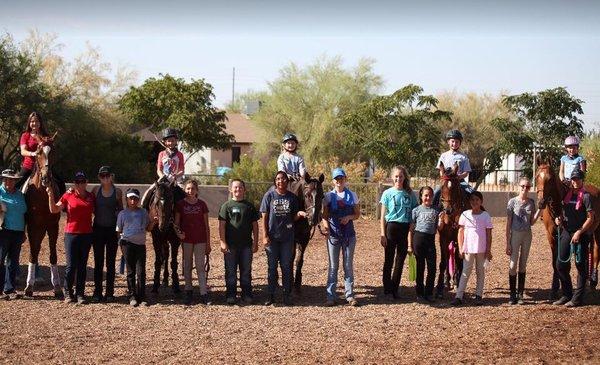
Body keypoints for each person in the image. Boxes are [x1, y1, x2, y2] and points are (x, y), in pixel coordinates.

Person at [260, 171, 307, 306]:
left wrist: (299, 214)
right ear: (275, 181)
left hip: (287, 238)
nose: (281, 181)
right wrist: (264, 235)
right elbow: (264, 216)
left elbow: (293, 217)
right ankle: (271, 295)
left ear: (287, 181)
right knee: (272, 267)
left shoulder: (292, 198)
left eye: (283, 179)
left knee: (286, 267)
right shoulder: (269, 196)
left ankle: (287, 295)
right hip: (272, 238)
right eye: (278, 179)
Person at [47, 171, 95, 304]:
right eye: (77, 182)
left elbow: (98, 211)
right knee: (71, 265)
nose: (80, 184)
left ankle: (80, 294)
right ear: (74, 183)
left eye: (82, 181)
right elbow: (54, 210)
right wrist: (50, 195)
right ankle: (68, 292)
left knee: (82, 265)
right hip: (71, 234)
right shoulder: (68, 195)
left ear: (86, 182)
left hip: (86, 234)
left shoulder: (91, 197)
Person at [553, 168, 593, 307]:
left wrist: (579, 232)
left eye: (578, 179)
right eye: (573, 179)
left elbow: (590, 218)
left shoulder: (586, 196)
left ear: (582, 180)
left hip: (580, 234)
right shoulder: (567, 195)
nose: (575, 182)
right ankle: (566, 294)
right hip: (566, 231)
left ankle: (577, 299)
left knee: (580, 266)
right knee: (560, 265)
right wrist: (559, 219)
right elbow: (562, 212)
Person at [321, 168, 360, 307]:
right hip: (334, 235)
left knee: (348, 265)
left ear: (345, 179)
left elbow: (357, 214)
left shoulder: (352, 195)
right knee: (333, 266)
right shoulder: (328, 197)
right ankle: (330, 296)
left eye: (341, 178)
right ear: (333, 181)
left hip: (349, 235)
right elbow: (324, 216)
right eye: (336, 179)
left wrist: (349, 217)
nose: (339, 181)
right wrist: (326, 227)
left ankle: (349, 295)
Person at [218, 179, 260, 305]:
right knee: (230, 271)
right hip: (230, 246)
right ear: (231, 190)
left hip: (246, 245)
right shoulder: (226, 206)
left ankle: (246, 294)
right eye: (235, 187)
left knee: (246, 271)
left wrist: (255, 242)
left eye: (240, 187)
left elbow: (255, 226)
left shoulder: (249, 206)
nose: (238, 190)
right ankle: (231, 294)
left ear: (244, 190)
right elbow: (221, 226)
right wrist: (222, 242)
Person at [379, 165, 418, 299]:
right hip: (391, 227)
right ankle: (387, 290)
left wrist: (411, 235)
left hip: (404, 229)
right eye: (396, 176)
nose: (398, 179)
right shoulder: (387, 193)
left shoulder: (410, 194)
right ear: (392, 177)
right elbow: (383, 216)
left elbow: (414, 214)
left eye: (401, 176)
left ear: (404, 177)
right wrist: (383, 234)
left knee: (400, 261)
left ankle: (395, 289)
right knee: (388, 260)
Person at [451, 191, 493, 306]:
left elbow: (489, 234)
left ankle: (478, 295)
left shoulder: (485, 216)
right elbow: (461, 232)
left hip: (481, 249)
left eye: (477, 200)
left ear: (481, 201)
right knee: (465, 271)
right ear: (470, 202)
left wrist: (488, 250)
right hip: (468, 248)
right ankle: (459, 296)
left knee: (480, 272)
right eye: (473, 200)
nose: (475, 202)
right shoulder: (465, 214)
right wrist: (460, 248)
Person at [117, 188, 156, 307]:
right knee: (130, 271)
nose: (133, 201)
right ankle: (132, 295)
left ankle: (142, 295)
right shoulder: (122, 214)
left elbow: (148, 228)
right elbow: (119, 230)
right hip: (127, 244)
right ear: (127, 199)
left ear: (138, 200)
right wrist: (121, 244)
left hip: (140, 245)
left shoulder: (143, 212)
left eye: (135, 198)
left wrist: (153, 222)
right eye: (130, 198)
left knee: (141, 271)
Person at [175, 179, 211, 305]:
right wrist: (179, 233)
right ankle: (188, 290)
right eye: (188, 188)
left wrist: (208, 243)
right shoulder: (180, 204)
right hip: (187, 240)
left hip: (200, 239)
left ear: (197, 190)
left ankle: (203, 293)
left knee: (200, 266)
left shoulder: (202, 204)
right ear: (185, 190)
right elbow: (177, 224)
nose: (190, 191)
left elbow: (206, 225)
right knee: (187, 266)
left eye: (193, 189)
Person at [90, 166, 123, 303]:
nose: (105, 178)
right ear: (99, 177)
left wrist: (120, 230)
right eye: (102, 176)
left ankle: (110, 291)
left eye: (107, 175)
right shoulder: (96, 190)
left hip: (111, 231)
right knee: (98, 262)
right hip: (97, 229)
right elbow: (89, 206)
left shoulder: (118, 192)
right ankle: (97, 291)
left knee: (110, 262)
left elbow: (121, 211)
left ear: (112, 176)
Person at [505, 177, 539, 305]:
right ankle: (512, 294)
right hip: (515, 234)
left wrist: (540, 210)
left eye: (528, 187)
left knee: (523, 263)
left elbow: (532, 222)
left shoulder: (531, 202)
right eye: (523, 186)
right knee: (513, 264)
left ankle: (520, 294)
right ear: (518, 186)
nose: (525, 189)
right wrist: (507, 241)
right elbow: (508, 223)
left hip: (527, 234)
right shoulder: (512, 202)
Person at [408, 186, 440, 303]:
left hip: (430, 241)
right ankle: (420, 293)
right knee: (420, 268)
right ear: (421, 196)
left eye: (430, 195)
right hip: (418, 240)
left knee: (432, 268)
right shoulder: (416, 210)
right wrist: (409, 246)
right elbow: (411, 230)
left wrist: (441, 220)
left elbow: (438, 228)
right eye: (426, 195)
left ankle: (429, 293)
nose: (428, 198)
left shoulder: (436, 211)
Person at [0, 169, 27, 300]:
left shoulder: (20, 195)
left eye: (11, 179)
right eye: (6, 179)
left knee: (13, 261)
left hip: (17, 231)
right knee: (0, 260)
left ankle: (9, 289)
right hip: (3, 230)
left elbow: (24, 212)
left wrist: (24, 231)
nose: (8, 181)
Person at [142, 128, 185, 207]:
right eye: (168, 141)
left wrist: (176, 176)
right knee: (149, 191)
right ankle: (144, 207)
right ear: (165, 142)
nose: (171, 142)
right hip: (163, 179)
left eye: (173, 140)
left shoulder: (180, 154)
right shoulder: (161, 154)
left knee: (186, 193)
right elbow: (159, 169)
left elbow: (182, 170)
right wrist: (162, 176)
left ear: (176, 141)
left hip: (176, 181)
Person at [432, 129, 473, 207]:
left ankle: (473, 210)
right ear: (448, 142)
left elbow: (466, 172)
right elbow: (440, 170)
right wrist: (443, 177)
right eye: (452, 141)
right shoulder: (443, 156)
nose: (454, 144)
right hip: (446, 181)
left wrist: (459, 177)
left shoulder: (463, 157)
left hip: (459, 181)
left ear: (460, 143)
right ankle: (434, 209)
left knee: (471, 192)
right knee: (436, 192)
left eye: (457, 142)